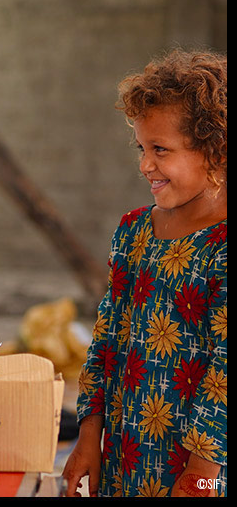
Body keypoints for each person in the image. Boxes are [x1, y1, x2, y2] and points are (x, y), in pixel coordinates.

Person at [63, 49, 227, 497]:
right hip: (123, 461)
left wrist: (201, 473)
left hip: (198, 473)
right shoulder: (135, 230)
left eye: (160, 150)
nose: (145, 164)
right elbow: (106, 338)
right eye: (142, 147)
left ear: (215, 152)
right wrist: (87, 437)